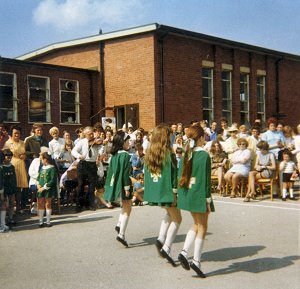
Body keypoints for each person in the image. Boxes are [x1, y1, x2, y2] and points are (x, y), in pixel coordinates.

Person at [177, 125, 214, 278]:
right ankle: (197, 261)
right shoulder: (204, 155)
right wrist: (207, 199)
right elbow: (206, 180)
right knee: (203, 226)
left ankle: (184, 252)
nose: (205, 138)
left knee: (196, 224)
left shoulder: (187, 153)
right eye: (204, 136)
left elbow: (181, 175)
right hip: (199, 194)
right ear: (199, 138)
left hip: (188, 193)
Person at [144, 124, 181, 267]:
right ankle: (167, 247)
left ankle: (160, 238)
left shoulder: (150, 153)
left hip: (158, 191)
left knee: (169, 214)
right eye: (170, 134)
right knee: (178, 219)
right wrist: (175, 193)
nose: (172, 136)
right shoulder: (169, 154)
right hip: (168, 192)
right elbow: (173, 176)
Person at [104, 131, 132, 247]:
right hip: (124, 184)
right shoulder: (125, 155)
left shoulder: (114, 156)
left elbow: (110, 173)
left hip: (115, 184)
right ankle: (121, 234)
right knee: (128, 209)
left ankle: (119, 224)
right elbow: (125, 174)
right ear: (122, 142)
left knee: (124, 207)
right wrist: (127, 188)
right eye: (127, 141)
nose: (129, 143)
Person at [72, 126, 103, 211]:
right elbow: (73, 151)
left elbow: (101, 150)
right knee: (81, 185)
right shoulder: (81, 142)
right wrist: (79, 156)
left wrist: (101, 150)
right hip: (83, 164)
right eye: (89, 134)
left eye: (92, 133)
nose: (92, 136)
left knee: (92, 186)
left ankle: (90, 204)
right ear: (85, 135)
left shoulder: (97, 142)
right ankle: (79, 205)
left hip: (92, 164)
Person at [4, 126, 29, 214]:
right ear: (12, 134)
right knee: (12, 188)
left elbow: (25, 153)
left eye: (18, 133)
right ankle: (11, 208)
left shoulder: (22, 143)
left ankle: (18, 207)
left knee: (19, 188)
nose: (17, 135)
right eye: (15, 133)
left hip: (21, 165)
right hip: (12, 166)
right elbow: (5, 155)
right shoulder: (8, 143)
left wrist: (24, 156)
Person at [36, 152, 58, 227]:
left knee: (48, 204)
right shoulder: (41, 167)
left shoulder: (52, 168)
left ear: (45, 159)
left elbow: (53, 180)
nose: (41, 160)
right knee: (40, 204)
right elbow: (38, 177)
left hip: (48, 189)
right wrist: (38, 184)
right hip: (40, 189)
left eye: (42, 159)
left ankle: (48, 221)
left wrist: (44, 187)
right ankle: (40, 221)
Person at [0, 149, 17, 230]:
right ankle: (4, 220)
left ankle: (11, 218)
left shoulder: (12, 167)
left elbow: (14, 179)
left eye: (10, 157)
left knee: (11, 204)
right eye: (7, 157)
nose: (9, 159)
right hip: (5, 189)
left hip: (12, 188)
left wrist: (15, 188)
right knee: (5, 205)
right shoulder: (2, 167)